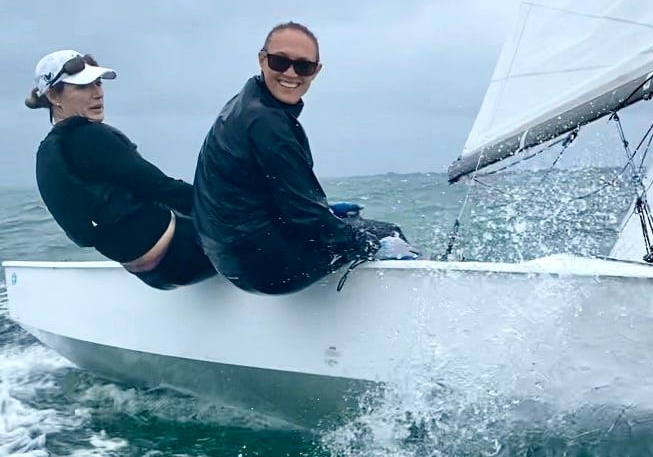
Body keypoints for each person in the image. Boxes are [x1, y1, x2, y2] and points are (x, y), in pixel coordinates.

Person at [193, 22, 417, 295]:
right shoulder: (269, 124)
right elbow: (306, 216)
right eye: (280, 61)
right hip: (265, 269)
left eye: (303, 66)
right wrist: (369, 244)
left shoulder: (243, 104)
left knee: (348, 225)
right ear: (262, 59)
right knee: (387, 232)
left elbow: (257, 193)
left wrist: (327, 214)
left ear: (316, 71)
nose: (290, 73)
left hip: (228, 258)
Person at [25, 50, 215, 290]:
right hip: (184, 254)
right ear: (53, 95)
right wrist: (225, 209)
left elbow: (81, 234)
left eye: (98, 83)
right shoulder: (90, 137)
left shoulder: (47, 152)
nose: (98, 93)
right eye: (83, 86)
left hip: (151, 273)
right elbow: (161, 188)